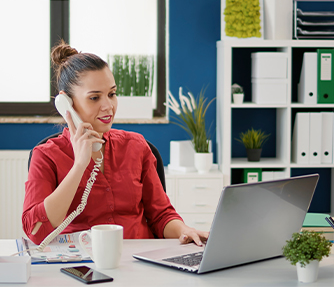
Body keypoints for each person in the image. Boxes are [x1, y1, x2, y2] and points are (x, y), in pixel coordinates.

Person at [22, 40, 208, 246]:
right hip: (81, 264)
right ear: (66, 103)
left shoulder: (136, 146)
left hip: (140, 262)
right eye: (94, 98)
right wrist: (79, 165)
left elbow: (161, 216)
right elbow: (36, 231)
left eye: (111, 94)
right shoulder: (46, 156)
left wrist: (185, 230)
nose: (108, 106)